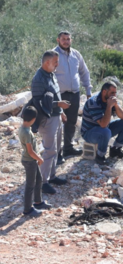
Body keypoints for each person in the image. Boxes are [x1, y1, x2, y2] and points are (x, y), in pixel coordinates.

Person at [31, 50, 71, 194]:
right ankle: (42, 182)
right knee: (49, 150)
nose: (57, 65)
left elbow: (55, 94)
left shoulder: (51, 74)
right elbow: (38, 102)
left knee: (55, 148)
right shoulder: (38, 79)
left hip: (56, 116)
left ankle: (51, 176)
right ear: (47, 62)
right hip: (46, 119)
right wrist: (58, 105)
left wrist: (61, 112)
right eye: (55, 62)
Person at [54, 31, 93, 164]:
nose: (66, 41)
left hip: (74, 94)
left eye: (68, 39)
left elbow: (84, 72)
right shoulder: (53, 55)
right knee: (57, 123)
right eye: (63, 39)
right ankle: (56, 154)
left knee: (71, 122)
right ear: (58, 40)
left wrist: (88, 90)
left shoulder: (76, 54)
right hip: (59, 95)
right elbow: (48, 74)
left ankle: (68, 148)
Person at [81, 81, 123, 165]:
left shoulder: (110, 99)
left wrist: (116, 105)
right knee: (106, 131)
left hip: (103, 129)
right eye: (112, 92)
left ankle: (115, 149)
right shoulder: (93, 102)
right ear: (104, 92)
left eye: (115, 93)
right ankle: (100, 156)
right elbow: (103, 124)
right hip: (89, 132)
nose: (114, 95)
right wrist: (109, 106)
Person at [19, 106, 54, 217]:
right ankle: (27, 209)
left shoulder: (24, 128)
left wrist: (37, 156)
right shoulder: (26, 132)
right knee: (30, 185)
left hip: (32, 160)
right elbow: (30, 151)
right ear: (34, 119)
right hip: (30, 161)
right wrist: (39, 158)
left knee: (38, 180)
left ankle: (38, 202)